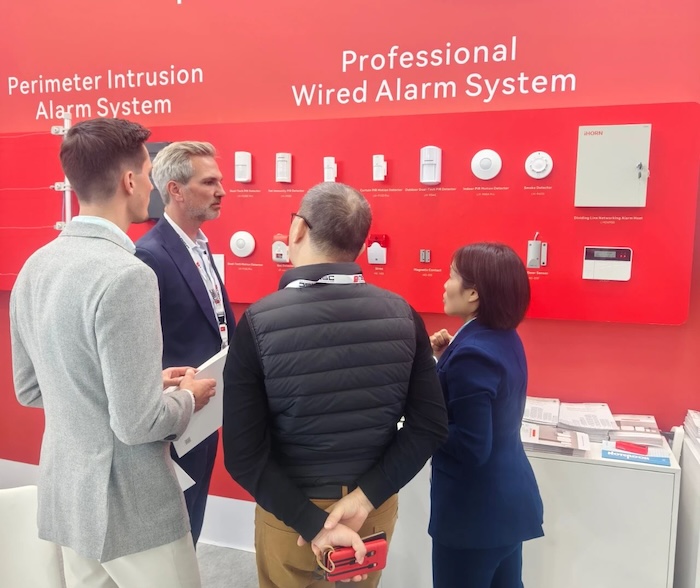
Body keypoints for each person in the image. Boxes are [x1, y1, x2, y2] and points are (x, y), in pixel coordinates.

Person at [10, 118, 216, 588]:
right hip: (132, 506)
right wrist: (188, 397)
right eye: (147, 174)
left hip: (69, 495)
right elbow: (138, 423)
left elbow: (31, 388)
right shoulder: (127, 275)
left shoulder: (35, 265)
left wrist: (143, 382)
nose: (151, 185)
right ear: (129, 181)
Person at [222, 182, 448, 588]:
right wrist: (364, 497)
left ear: (298, 228)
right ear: (359, 245)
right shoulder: (403, 315)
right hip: (369, 511)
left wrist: (313, 523)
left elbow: (243, 456)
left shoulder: (257, 323)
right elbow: (429, 426)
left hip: (290, 516)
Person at [428, 242, 544, 588]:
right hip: (505, 507)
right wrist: (445, 362)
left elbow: (471, 445)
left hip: (473, 517)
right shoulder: (503, 337)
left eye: (451, 276)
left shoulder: (472, 354)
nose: (445, 284)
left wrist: (420, 419)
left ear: (474, 293)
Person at [135, 141, 234, 545]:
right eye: (209, 182)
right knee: (173, 527)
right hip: (176, 416)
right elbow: (142, 349)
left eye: (219, 181)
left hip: (206, 408)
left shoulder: (199, 246)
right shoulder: (149, 256)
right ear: (175, 190)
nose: (221, 190)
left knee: (193, 518)